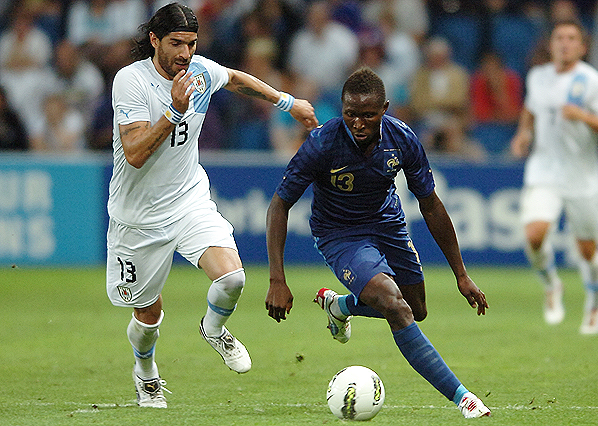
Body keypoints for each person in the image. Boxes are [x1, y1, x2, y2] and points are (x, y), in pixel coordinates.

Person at [106, 2, 318, 408]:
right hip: (137, 218)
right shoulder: (130, 81)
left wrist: (288, 103)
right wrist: (173, 112)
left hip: (188, 201)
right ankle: (146, 372)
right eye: (175, 44)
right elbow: (133, 152)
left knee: (232, 279)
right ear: (154, 40)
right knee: (147, 316)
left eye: (191, 43)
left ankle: (214, 329)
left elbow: (237, 79)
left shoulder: (200, 72)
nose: (185, 54)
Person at [265, 67, 491, 419]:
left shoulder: (402, 140)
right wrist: (277, 279)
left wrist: (461, 275)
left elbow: (430, 204)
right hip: (340, 234)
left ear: (384, 108)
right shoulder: (322, 144)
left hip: (388, 223)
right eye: (350, 114)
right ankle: (463, 397)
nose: (358, 123)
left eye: (368, 115)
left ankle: (340, 306)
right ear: (341, 109)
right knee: (394, 305)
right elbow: (279, 205)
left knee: (416, 309)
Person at [510, 19, 598, 335]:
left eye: (572, 38)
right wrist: (523, 133)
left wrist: (583, 115)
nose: (564, 43)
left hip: (582, 177)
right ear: (551, 44)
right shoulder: (538, 76)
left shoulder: (592, 81)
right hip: (543, 171)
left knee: (587, 250)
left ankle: (596, 301)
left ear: (582, 47)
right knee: (533, 235)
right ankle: (551, 285)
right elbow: (530, 109)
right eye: (559, 37)